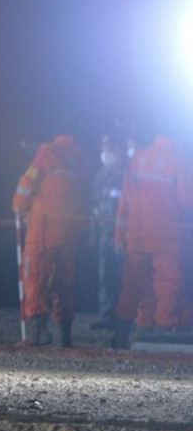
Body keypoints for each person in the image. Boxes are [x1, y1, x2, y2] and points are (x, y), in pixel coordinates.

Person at [109, 130, 193, 348]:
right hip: (167, 237)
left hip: (137, 235)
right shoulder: (180, 160)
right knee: (167, 285)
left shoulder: (138, 158)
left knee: (134, 285)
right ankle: (163, 337)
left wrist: (119, 233)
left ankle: (124, 334)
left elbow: (124, 200)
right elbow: (187, 201)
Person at [12, 134, 91, 347]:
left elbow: (28, 180)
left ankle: (39, 330)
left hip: (43, 225)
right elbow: (83, 193)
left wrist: (19, 206)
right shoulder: (82, 159)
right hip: (69, 228)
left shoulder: (46, 152)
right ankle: (65, 333)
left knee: (36, 275)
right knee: (65, 279)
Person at [88, 134, 128, 330]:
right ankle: (106, 316)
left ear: (120, 150)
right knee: (105, 277)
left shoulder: (127, 175)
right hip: (104, 235)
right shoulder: (100, 175)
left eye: (109, 148)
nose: (105, 153)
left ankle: (124, 317)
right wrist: (93, 235)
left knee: (124, 277)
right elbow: (94, 206)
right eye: (103, 148)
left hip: (123, 235)